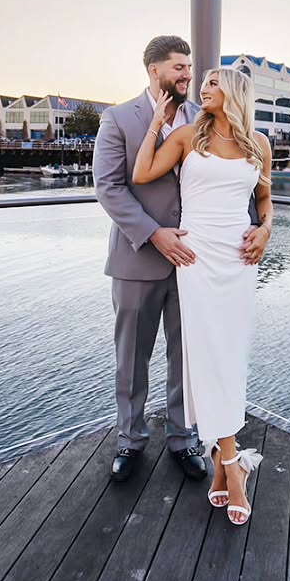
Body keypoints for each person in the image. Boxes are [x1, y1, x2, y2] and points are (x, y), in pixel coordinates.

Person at [132, 67, 273, 525]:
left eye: (213, 83)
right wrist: (156, 122)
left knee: (229, 357)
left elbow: (265, 201)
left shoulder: (259, 144)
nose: (203, 89)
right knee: (206, 356)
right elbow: (141, 173)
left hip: (238, 259)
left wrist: (266, 230)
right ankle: (233, 467)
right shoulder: (187, 135)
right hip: (196, 256)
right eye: (204, 83)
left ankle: (221, 459)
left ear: (233, 92)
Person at [92, 35, 209, 483]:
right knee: (131, 358)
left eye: (189, 67)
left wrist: (258, 222)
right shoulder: (119, 118)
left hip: (192, 260)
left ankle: (183, 437)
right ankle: (130, 440)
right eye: (179, 67)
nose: (187, 75)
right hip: (137, 259)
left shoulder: (203, 117)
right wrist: (154, 234)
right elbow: (109, 187)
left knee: (187, 356)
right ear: (154, 70)